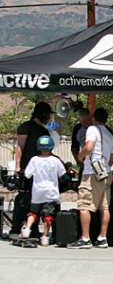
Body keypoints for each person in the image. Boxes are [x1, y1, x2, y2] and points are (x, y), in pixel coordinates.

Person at [68, 107, 113, 249]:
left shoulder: (92, 130)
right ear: (106, 120)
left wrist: (80, 156)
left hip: (92, 171)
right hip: (106, 171)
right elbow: (112, 159)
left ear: (93, 118)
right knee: (104, 206)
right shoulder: (109, 134)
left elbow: (89, 146)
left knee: (84, 204)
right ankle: (102, 237)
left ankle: (85, 238)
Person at [12, 101, 53, 236]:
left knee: (36, 200)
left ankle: (33, 228)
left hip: (40, 170)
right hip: (26, 168)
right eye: (47, 115)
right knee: (24, 198)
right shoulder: (26, 127)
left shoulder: (43, 130)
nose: (49, 118)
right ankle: (17, 227)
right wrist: (17, 166)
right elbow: (20, 147)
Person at [21, 134, 66, 246]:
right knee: (48, 215)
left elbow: (27, 175)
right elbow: (62, 174)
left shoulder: (34, 160)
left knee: (33, 212)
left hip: (37, 191)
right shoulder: (55, 160)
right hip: (51, 191)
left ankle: (27, 229)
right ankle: (45, 237)